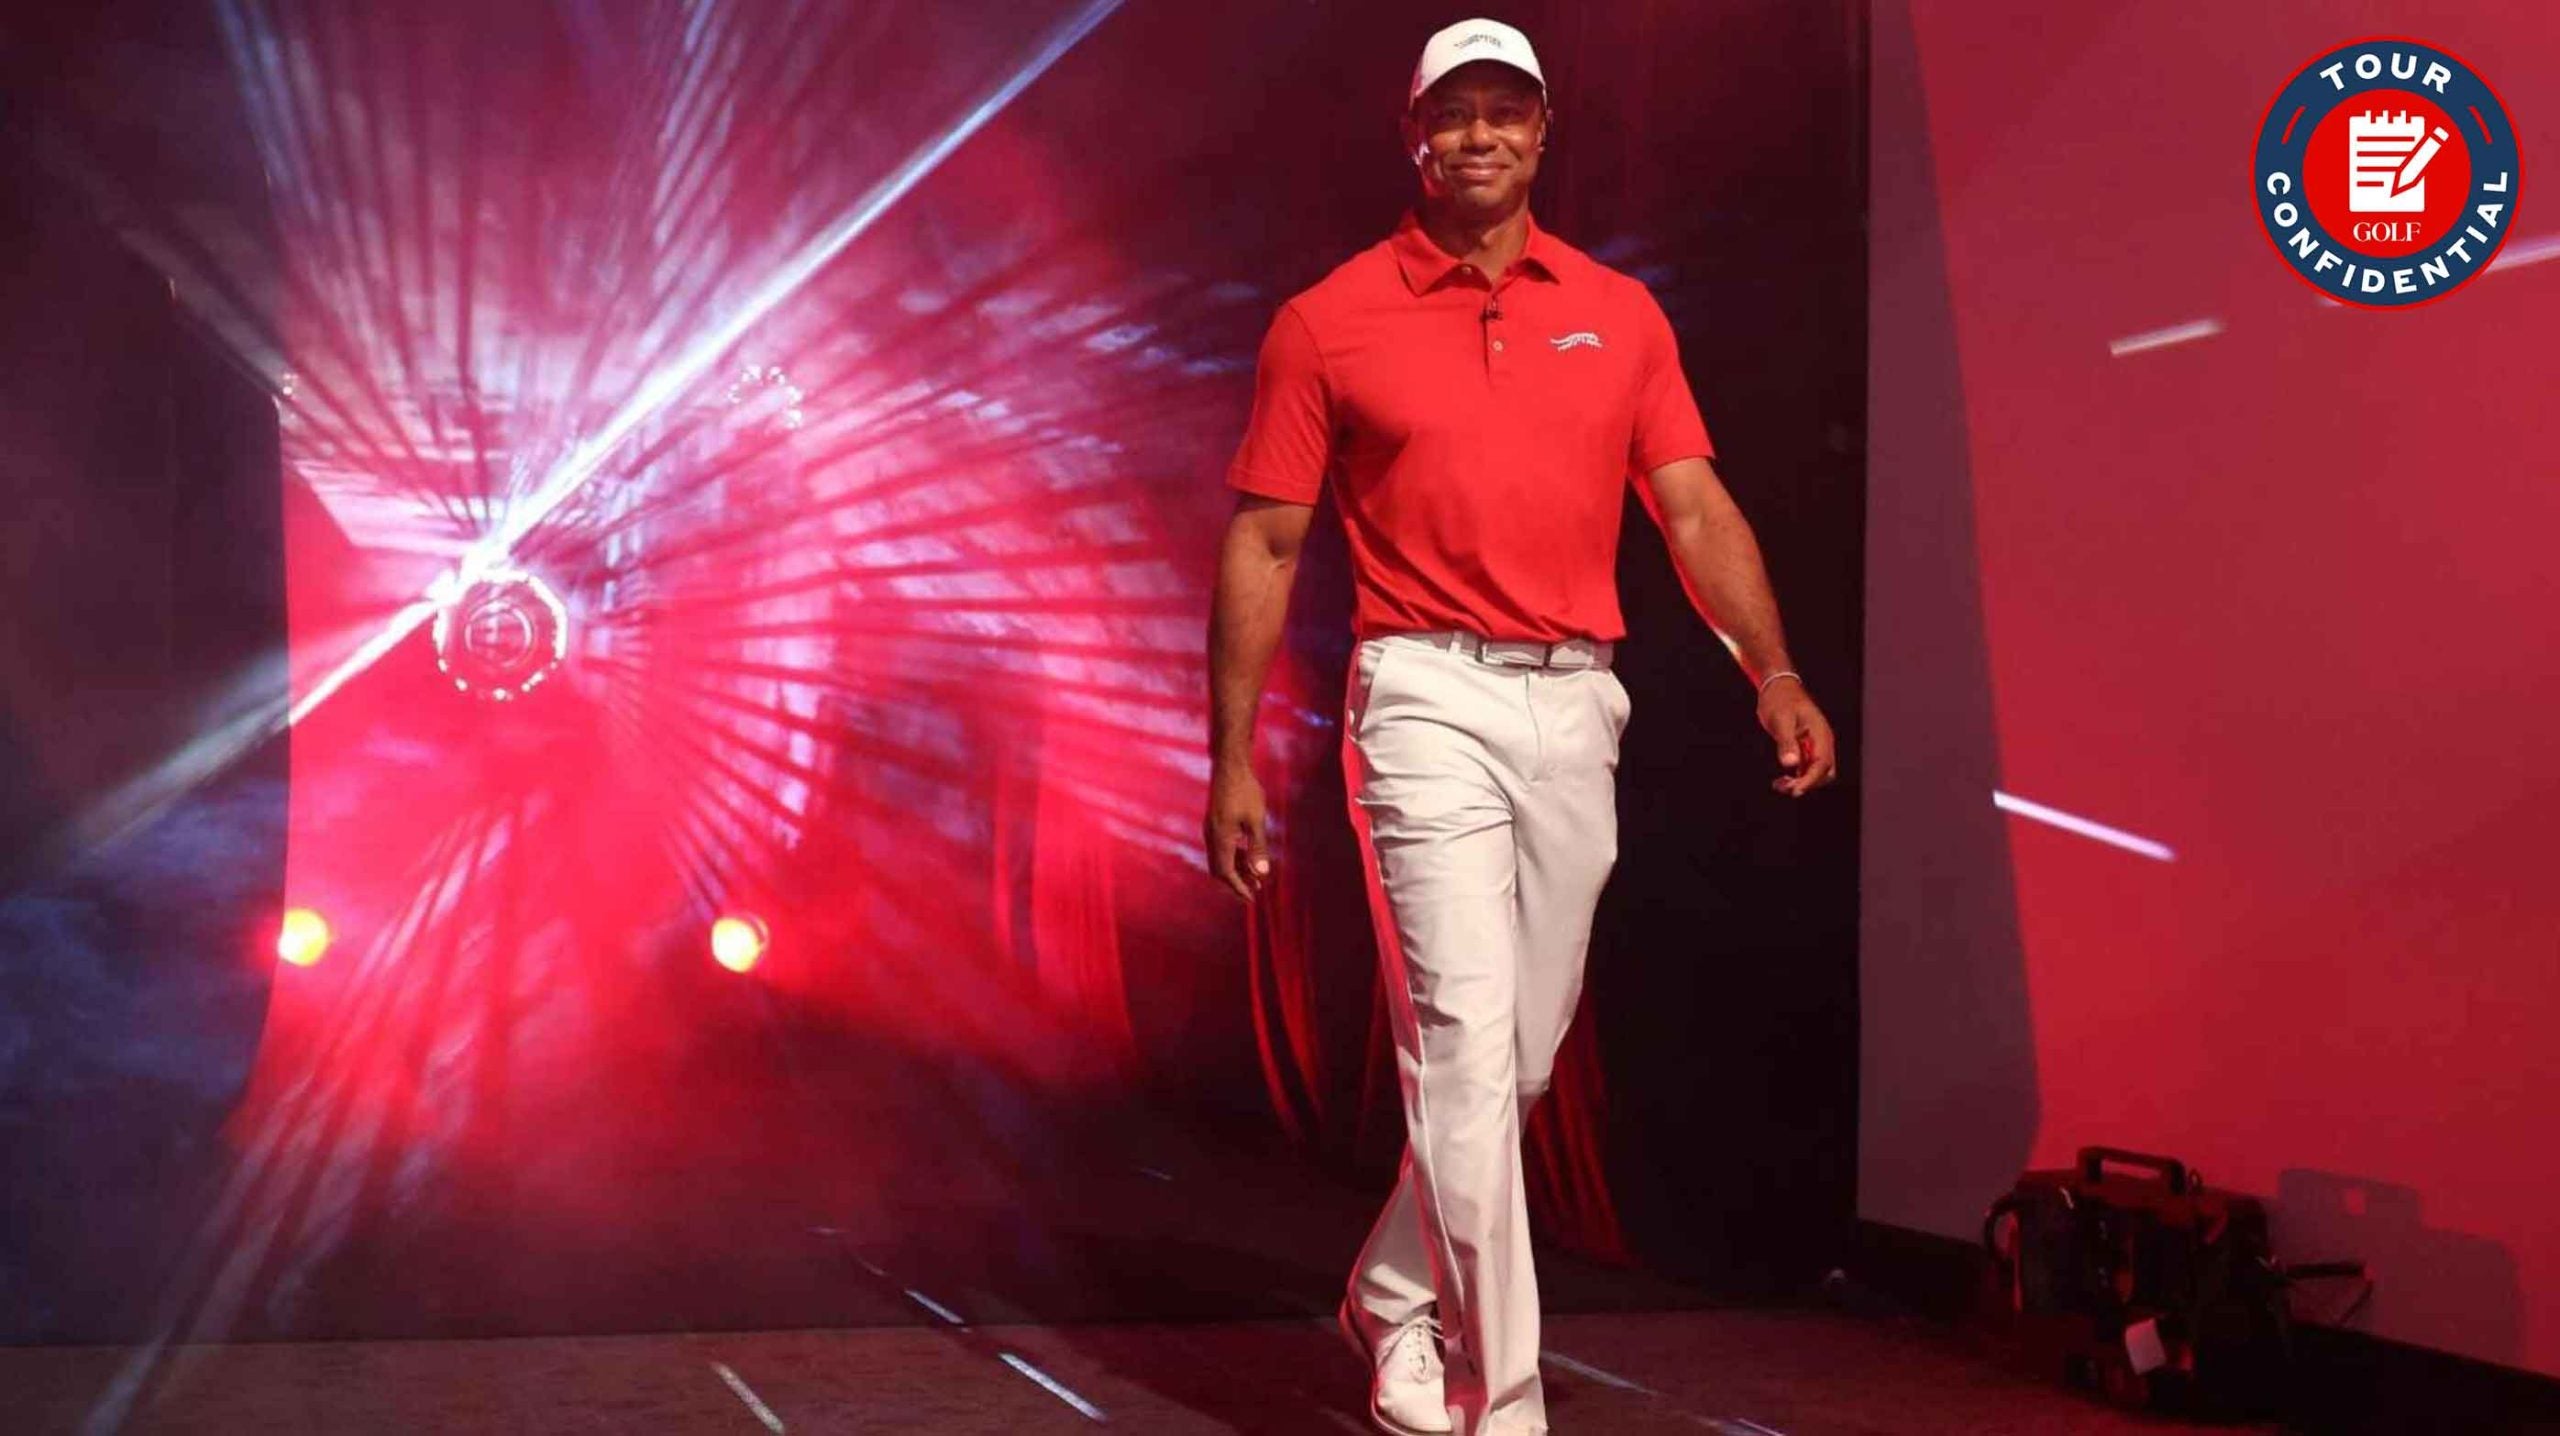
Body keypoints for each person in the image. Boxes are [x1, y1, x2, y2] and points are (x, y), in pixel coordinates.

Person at [1202, 17, 1838, 1435]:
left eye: (1510, 111)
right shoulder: (1330, 317)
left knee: (1516, 1063)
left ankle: (1390, 1292)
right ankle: (1509, 1403)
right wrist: (1230, 755)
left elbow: (1691, 507)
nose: (1481, 134)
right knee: (1463, 1040)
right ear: (1412, 135)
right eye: (1456, 112)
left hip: (1577, 699)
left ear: (1545, 133)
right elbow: (1263, 545)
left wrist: (1773, 670)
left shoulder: (1621, 312)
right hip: (1422, 694)